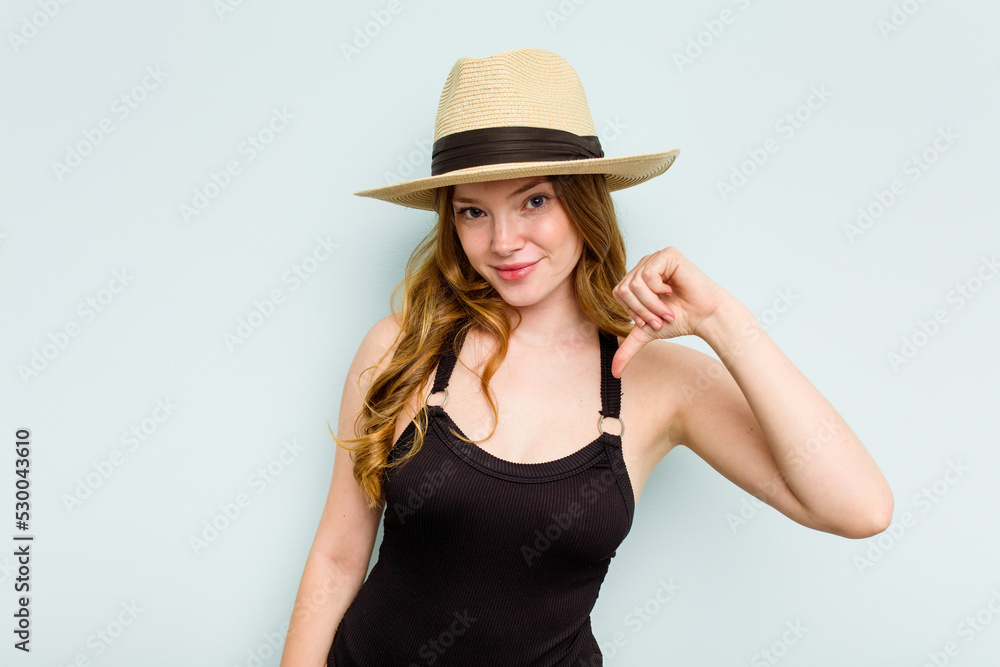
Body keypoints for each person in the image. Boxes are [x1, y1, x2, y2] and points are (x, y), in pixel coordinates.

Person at [279, 48, 894, 666]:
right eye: (473, 211)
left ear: (585, 201)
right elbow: (336, 559)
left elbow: (860, 508)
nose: (503, 242)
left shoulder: (659, 381)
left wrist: (724, 324)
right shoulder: (402, 348)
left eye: (534, 201)